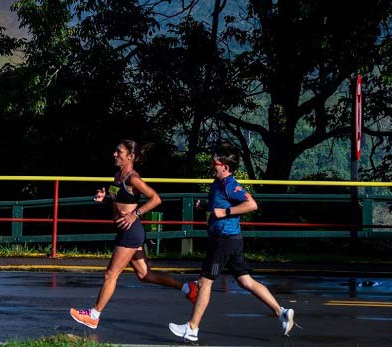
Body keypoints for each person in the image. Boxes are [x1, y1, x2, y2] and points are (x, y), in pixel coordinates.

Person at [168, 142, 295, 342]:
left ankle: (192, 328)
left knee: (204, 283)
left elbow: (252, 204)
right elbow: (219, 203)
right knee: (246, 281)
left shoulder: (230, 184)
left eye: (214, 163)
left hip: (225, 240)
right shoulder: (217, 184)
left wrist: (226, 212)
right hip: (230, 240)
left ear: (225, 167)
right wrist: (206, 206)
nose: (212, 166)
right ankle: (281, 312)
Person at [70, 140, 198, 330]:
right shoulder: (117, 176)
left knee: (110, 274)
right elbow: (118, 202)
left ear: (130, 156)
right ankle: (188, 288)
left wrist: (135, 214)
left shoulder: (133, 178)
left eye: (118, 151)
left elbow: (156, 199)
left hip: (131, 232)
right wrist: (104, 198)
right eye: (115, 150)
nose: (114, 154)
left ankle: (94, 315)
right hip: (126, 232)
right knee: (145, 274)